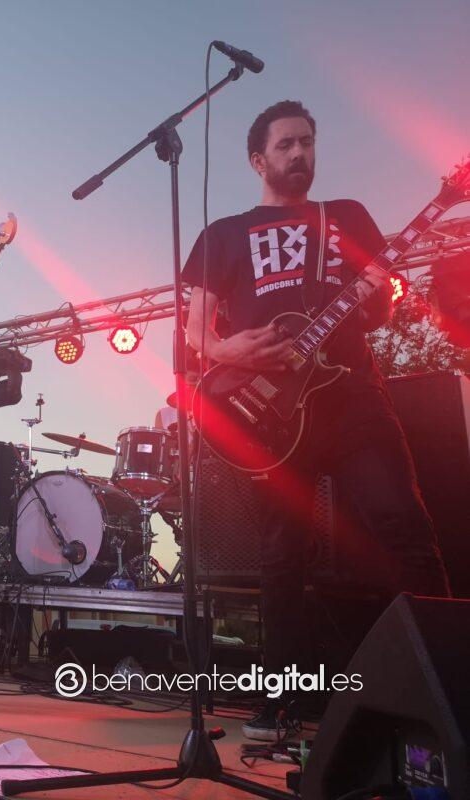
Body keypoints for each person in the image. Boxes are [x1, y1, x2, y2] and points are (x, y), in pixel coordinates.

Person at [182, 100, 450, 740]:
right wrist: (231, 351)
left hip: (351, 395)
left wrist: (379, 298)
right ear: (258, 160)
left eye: (307, 142)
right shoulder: (223, 234)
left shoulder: (347, 216)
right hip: (270, 414)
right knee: (281, 555)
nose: (300, 153)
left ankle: (448, 680)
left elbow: (379, 313)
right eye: (286, 145)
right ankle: (280, 703)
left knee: (402, 525)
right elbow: (194, 333)